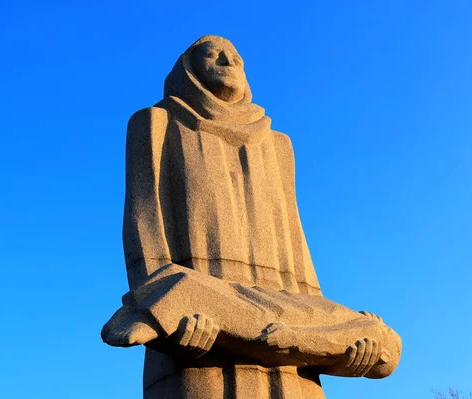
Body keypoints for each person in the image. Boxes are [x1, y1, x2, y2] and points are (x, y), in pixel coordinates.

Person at [101, 35, 401, 399]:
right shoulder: (156, 123)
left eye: (237, 58)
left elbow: (297, 244)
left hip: (292, 349)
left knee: (349, 331)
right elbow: (144, 225)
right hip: (201, 338)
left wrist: (332, 340)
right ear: (187, 71)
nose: (230, 62)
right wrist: (166, 308)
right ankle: (157, 310)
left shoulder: (278, 146)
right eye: (215, 55)